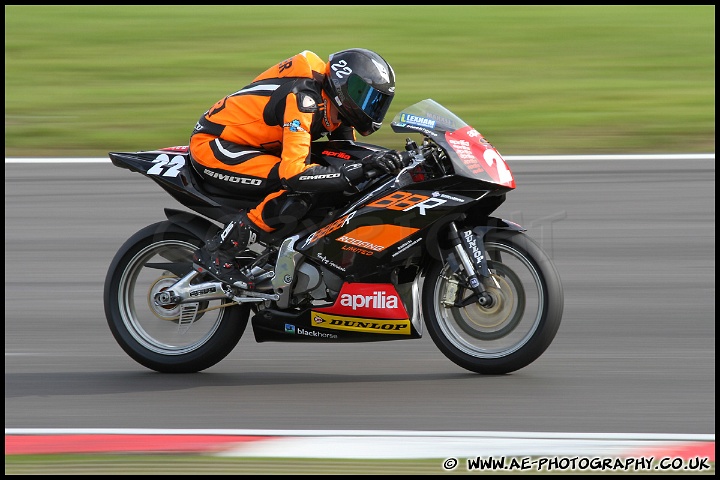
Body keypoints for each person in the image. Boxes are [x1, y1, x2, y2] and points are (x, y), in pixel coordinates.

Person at [189, 48, 405, 289]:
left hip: (259, 145)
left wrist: (389, 161)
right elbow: (294, 174)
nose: (371, 108)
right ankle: (219, 252)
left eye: (377, 102)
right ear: (344, 84)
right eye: (364, 97)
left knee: (330, 179)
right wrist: (357, 170)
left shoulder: (334, 105)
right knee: (299, 189)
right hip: (217, 145)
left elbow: (350, 155)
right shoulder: (304, 99)